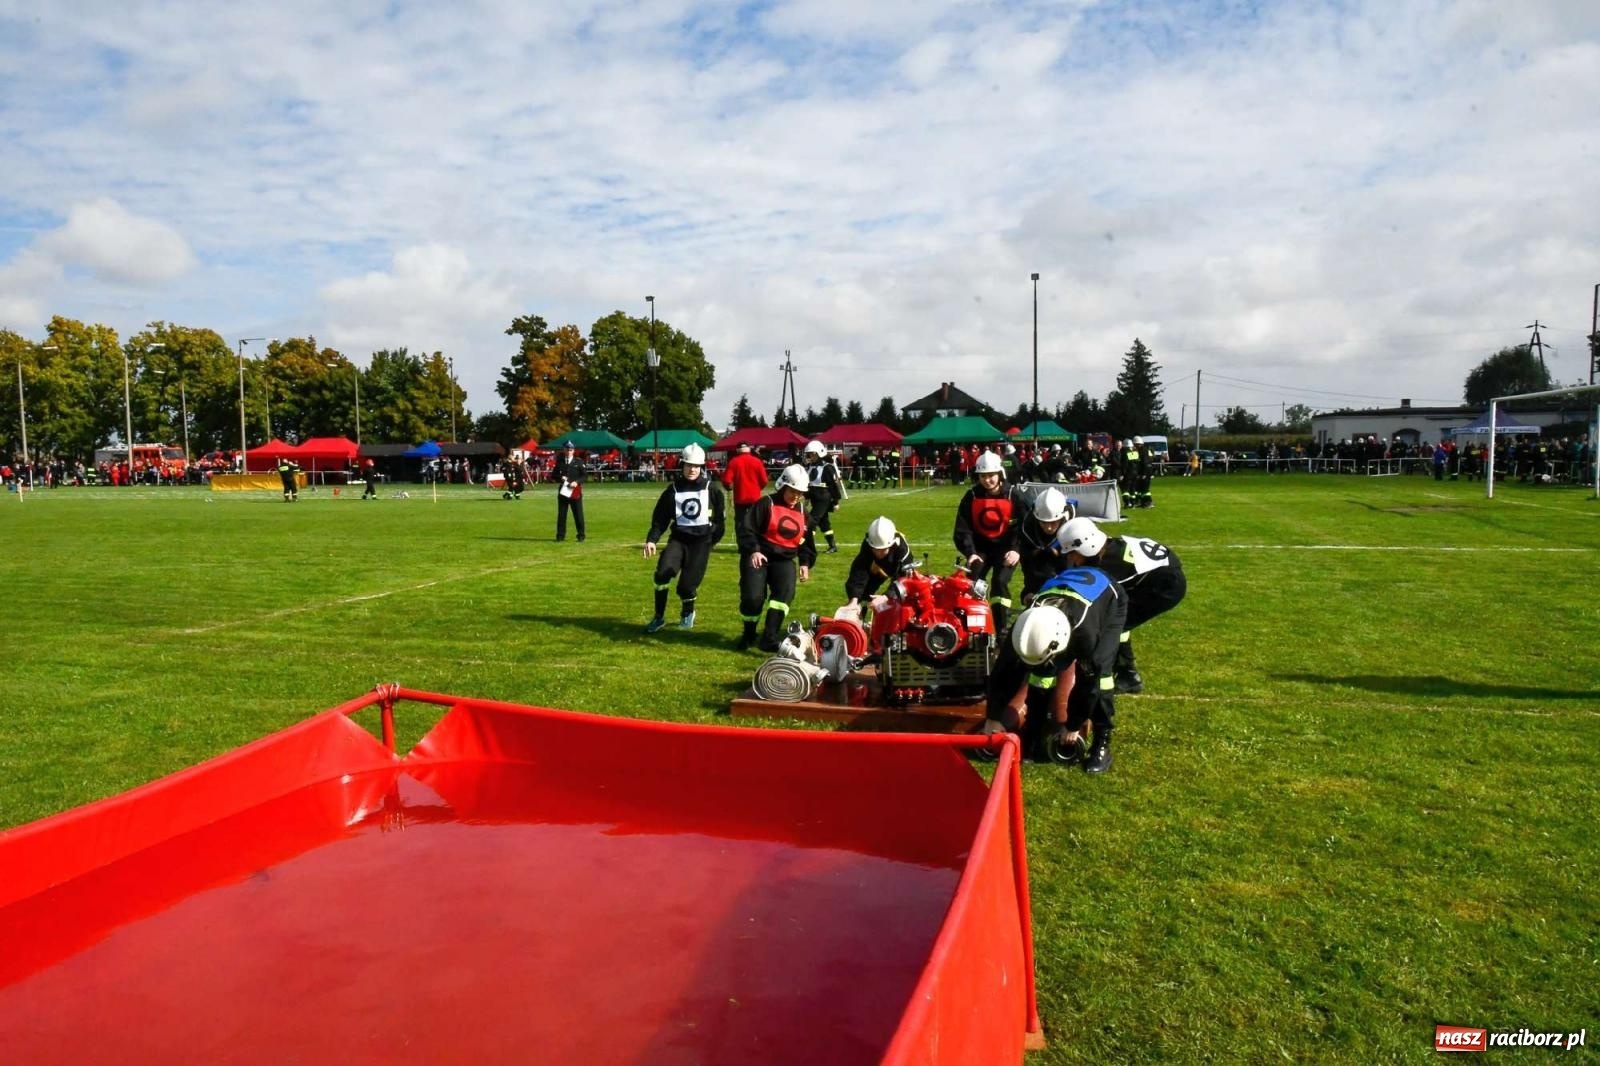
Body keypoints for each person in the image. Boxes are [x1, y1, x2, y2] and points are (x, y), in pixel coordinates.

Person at [984, 566, 1125, 773]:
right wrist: (993, 716)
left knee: (1101, 674)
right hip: (1066, 594)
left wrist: (1073, 725)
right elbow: (1003, 670)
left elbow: (1088, 686)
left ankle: (1102, 744)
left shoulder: (1085, 636)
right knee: (1041, 677)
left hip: (1109, 596)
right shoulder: (1024, 627)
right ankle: (1032, 734)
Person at [1057, 516, 1186, 695]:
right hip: (1162, 575)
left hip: (1165, 587)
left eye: (1072, 553)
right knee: (1116, 618)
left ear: (1086, 547)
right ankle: (1127, 673)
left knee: (1110, 624)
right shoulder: (1107, 547)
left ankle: (1125, 676)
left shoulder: (1111, 563)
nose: (1070, 558)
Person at [643, 444, 726, 632]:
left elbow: (720, 522)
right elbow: (660, 519)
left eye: (696, 466)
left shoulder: (711, 489)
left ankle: (688, 613)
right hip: (679, 540)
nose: (692, 469)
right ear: (682, 465)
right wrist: (651, 540)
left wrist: (710, 542)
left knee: (687, 586)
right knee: (662, 573)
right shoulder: (672, 490)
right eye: (689, 465)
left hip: (701, 543)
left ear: (702, 467)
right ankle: (658, 617)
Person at [736, 463, 817, 651]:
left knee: (784, 595)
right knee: (753, 598)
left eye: (800, 493)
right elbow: (747, 529)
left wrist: (805, 563)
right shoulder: (766, 504)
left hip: (784, 560)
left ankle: (769, 638)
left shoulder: (804, 514)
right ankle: (749, 634)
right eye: (792, 491)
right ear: (783, 486)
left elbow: (806, 543)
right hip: (758, 556)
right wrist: (754, 550)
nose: (796, 496)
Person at [953, 449, 1026, 631]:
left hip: (1007, 550)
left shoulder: (1014, 496)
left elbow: (1026, 526)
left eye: (991, 475)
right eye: (983, 476)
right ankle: (971, 629)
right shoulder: (971, 497)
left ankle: (1001, 628)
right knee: (972, 582)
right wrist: (970, 553)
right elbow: (963, 529)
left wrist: (1016, 549)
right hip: (980, 550)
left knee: (1000, 582)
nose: (987, 480)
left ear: (999, 474)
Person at [842, 515, 913, 615]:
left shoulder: (902, 549)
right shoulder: (868, 544)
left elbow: (903, 578)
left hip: (894, 567)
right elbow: (859, 570)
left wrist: (886, 597)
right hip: (877, 567)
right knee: (862, 595)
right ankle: (859, 611)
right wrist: (854, 600)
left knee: (898, 601)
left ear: (891, 544)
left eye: (883, 550)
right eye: (875, 549)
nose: (878, 553)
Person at [1017, 486, 1074, 602]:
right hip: (1037, 572)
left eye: (1053, 523)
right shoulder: (1028, 529)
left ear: (1062, 517)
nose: (1048, 528)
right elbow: (1026, 563)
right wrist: (1029, 591)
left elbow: (1077, 564)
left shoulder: (1073, 528)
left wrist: (1058, 555)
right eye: (1043, 523)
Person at [720, 440, 770, 543]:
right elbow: (764, 480)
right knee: (756, 521)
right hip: (755, 499)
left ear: (737, 450)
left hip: (740, 499)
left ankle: (742, 544)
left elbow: (726, 480)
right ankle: (756, 543)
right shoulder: (757, 461)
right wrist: (757, 488)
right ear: (749, 449)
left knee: (740, 523)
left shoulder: (734, 462)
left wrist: (729, 488)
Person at [802, 440, 844, 554]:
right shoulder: (810, 467)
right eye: (809, 454)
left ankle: (806, 546)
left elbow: (833, 486)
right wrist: (807, 497)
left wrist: (835, 502)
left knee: (811, 521)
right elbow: (809, 484)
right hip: (815, 497)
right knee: (824, 523)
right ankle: (832, 546)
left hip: (823, 497)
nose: (810, 456)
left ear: (819, 453)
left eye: (812, 454)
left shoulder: (827, 468)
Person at [554, 443, 586, 541]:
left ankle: (581, 535)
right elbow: (553, 475)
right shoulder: (560, 462)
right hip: (563, 491)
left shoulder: (578, 462)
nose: (569, 451)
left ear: (573, 451)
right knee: (562, 515)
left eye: (571, 450)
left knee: (578, 514)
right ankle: (560, 536)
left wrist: (577, 482)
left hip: (575, 491)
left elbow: (584, 476)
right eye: (567, 450)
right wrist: (561, 478)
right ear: (564, 450)